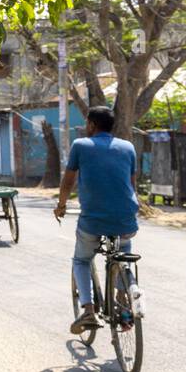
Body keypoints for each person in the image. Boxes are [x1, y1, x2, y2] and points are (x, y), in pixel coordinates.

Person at [53, 105, 139, 334]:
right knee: (124, 254)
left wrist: (61, 206)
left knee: (81, 260)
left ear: (91, 125)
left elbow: (68, 181)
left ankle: (89, 310)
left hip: (93, 220)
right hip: (126, 219)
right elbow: (131, 185)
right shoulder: (128, 147)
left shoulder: (81, 145)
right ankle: (124, 300)